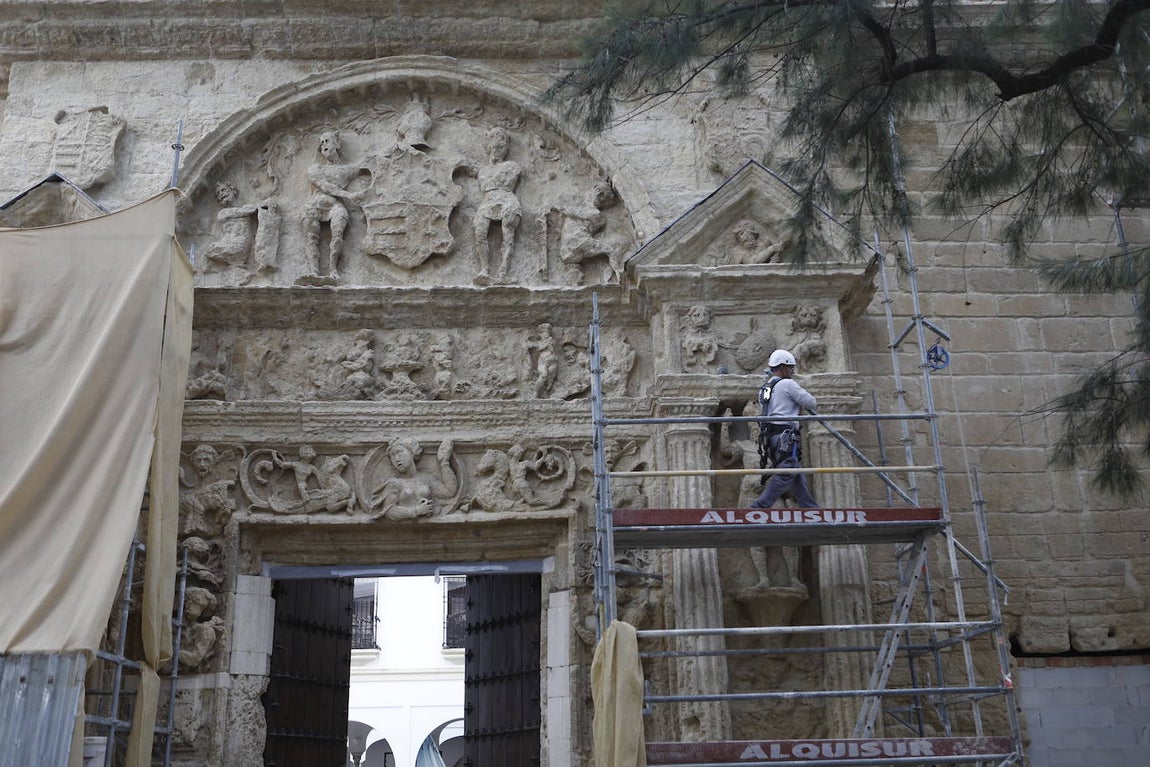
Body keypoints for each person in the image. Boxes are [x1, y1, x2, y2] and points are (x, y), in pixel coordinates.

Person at [749, 349, 818, 509]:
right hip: (785, 435)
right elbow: (811, 402)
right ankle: (760, 506)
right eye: (791, 367)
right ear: (782, 368)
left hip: (771, 436)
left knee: (795, 473)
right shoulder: (787, 384)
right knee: (787, 471)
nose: (793, 371)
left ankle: (810, 507)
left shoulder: (765, 389)